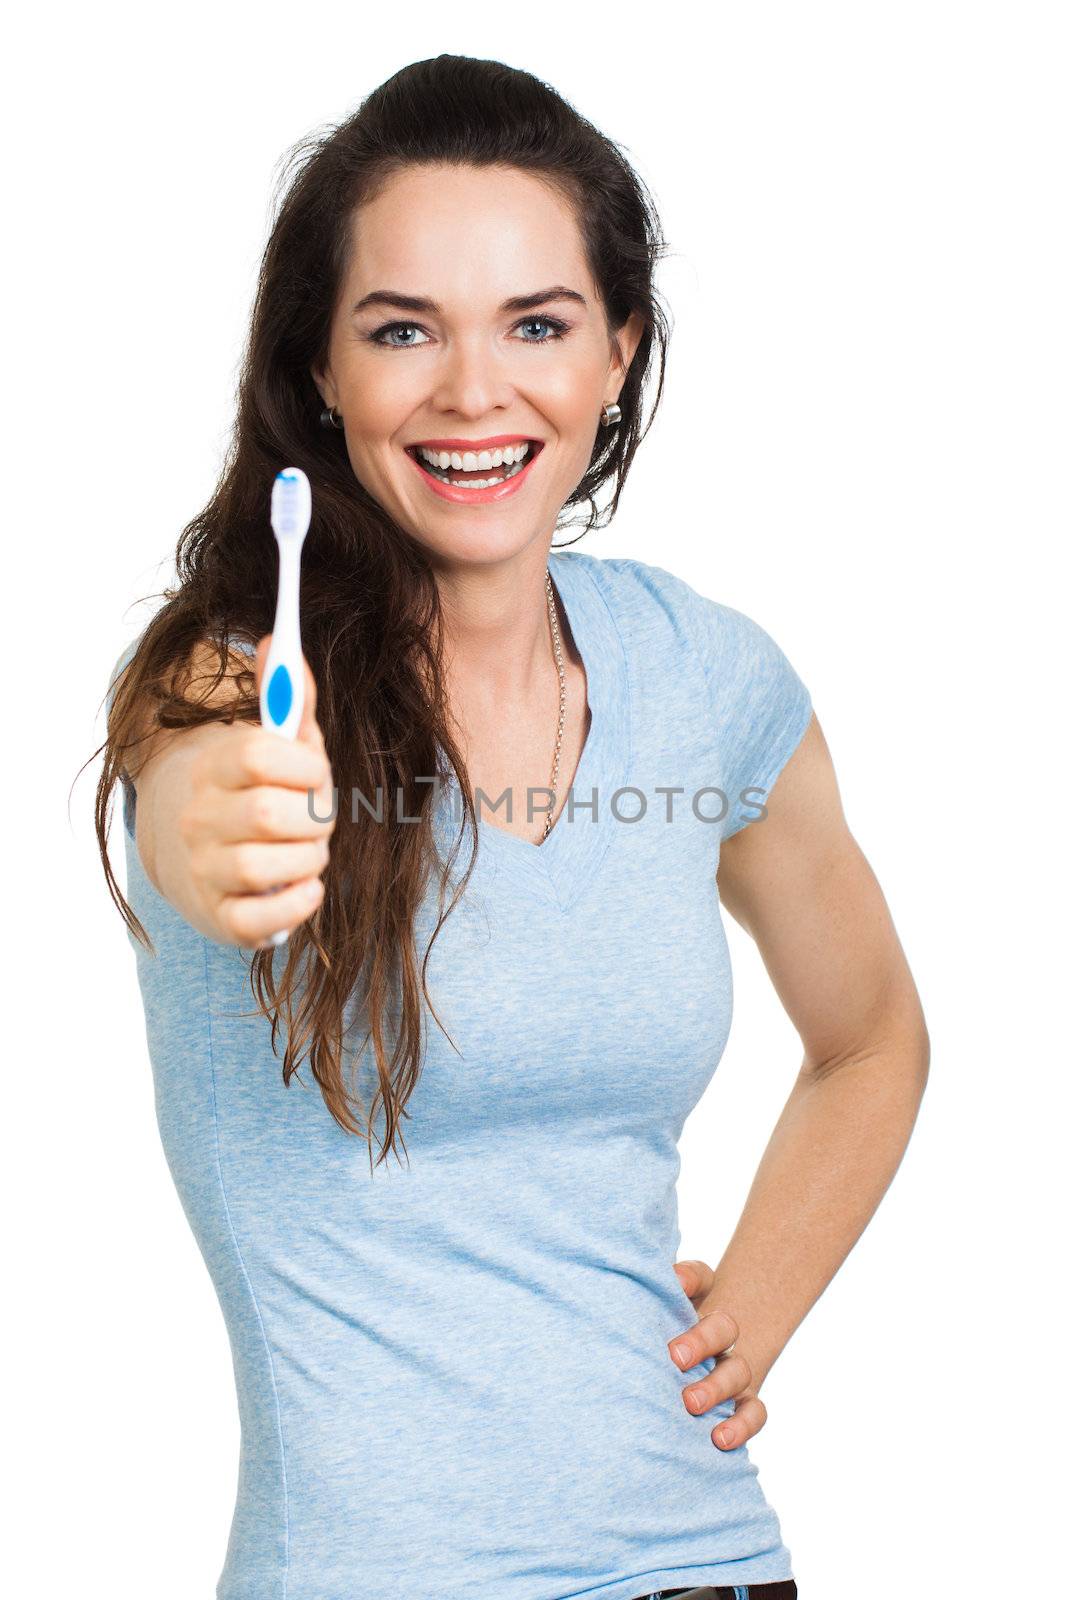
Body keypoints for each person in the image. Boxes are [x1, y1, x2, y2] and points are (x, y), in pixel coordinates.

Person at [96, 55, 929, 1600]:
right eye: (403, 330)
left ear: (617, 351)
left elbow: (873, 1035)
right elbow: (193, 778)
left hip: (713, 1567)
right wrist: (209, 829)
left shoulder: (707, 679)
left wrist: (758, 1300)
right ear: (322, 371)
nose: (475, 391)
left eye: (537, 324)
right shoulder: (232, 672)